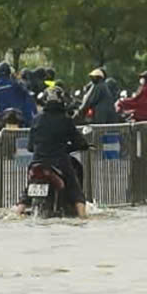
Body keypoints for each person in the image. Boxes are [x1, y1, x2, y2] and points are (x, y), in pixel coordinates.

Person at [29, 90, 91, 218]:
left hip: (36, 162)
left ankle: (17, 212)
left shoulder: (36, 120)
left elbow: (30, 147)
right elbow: (79, 142)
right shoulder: (65, 120)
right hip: (59, 162)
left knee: (26, 193)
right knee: (75, 190)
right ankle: (83, 217)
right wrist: (70, 148)